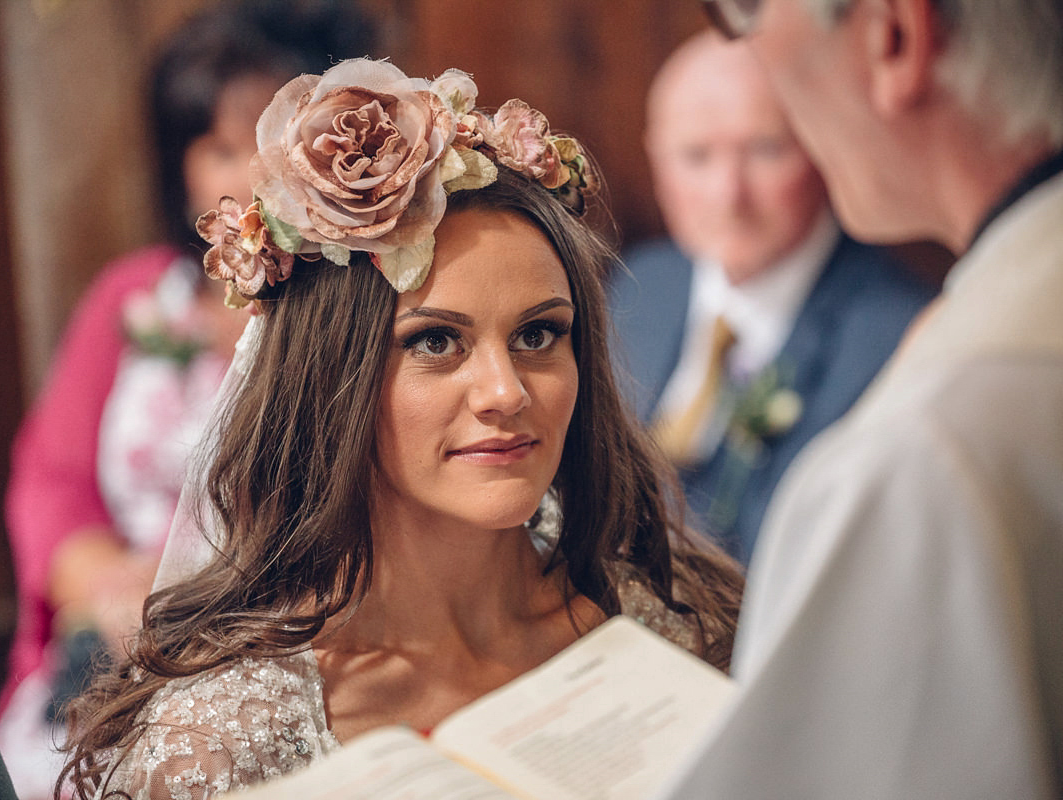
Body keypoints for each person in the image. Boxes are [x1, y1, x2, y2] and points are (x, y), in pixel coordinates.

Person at [54, 58, 744, 799]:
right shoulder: (220, 743)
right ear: (330, 383)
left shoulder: (676, 626)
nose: (506, 392)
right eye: (436, 342)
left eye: (540, 335)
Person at [654, 0, 1063, 797]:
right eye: (695, 154)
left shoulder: (929, 448)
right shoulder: (640, 287)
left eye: (747, 15)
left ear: (893, 37)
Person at [0, 3, 373, 798]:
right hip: (113, 630)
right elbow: (51, 480)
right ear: (182, 167)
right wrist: (108, 589)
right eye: (224, 150)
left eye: (276, 147)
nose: (253, 177)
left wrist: (202, 607)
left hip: (272, 632)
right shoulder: (132, 298)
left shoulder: (345, 311)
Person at [609, 29, 932, 565]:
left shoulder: (896, 335)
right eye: (695, 156)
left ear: (821, 147)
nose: (729, 195)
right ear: (656, 162)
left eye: (765, 149)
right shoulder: (641, 283)